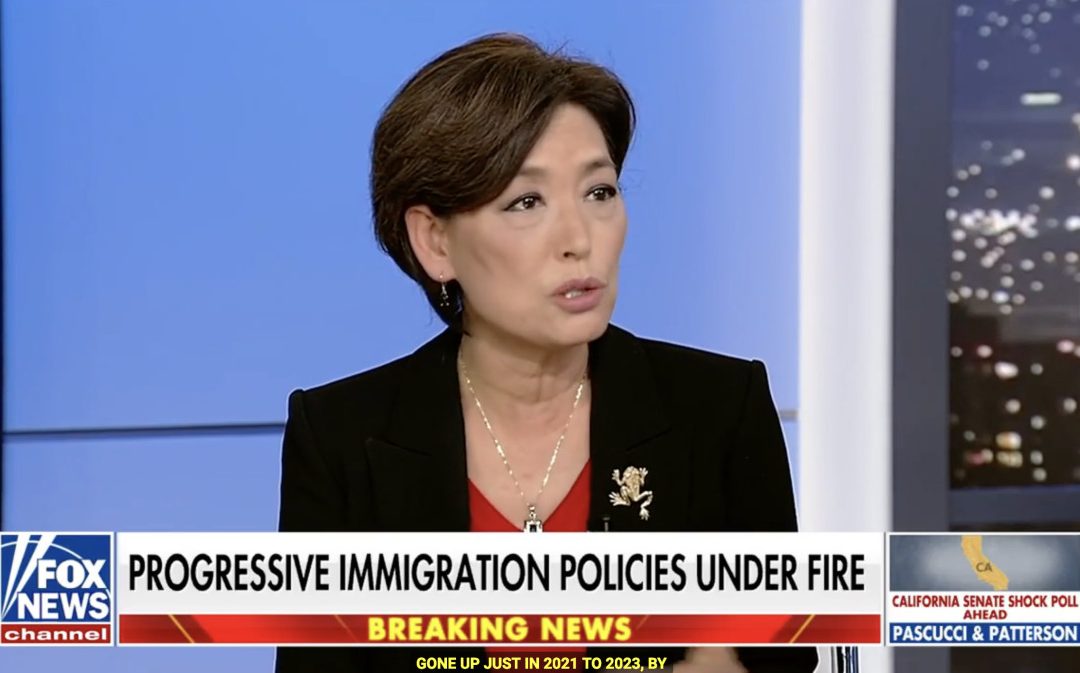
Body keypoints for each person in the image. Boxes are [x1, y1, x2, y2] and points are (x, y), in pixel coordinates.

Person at [276, 33, 816, 673]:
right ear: (434, 241)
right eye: (527, 202)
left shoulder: (719, 409)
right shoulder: (341, 438)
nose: (578, 239)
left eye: (599, 192)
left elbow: (783, 657)